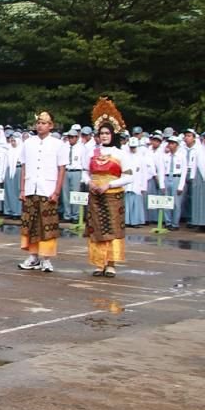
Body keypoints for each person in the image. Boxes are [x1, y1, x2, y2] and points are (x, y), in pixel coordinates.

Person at [84, 98, 134, 278]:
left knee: (112, 229)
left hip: (113, 196)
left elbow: (129, 176)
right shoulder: (91, 152)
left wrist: (109, 184)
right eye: (101, 133)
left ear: (113, 134)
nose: (104, 136)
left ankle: (111, 263)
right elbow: (84, 172)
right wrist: (89, 182)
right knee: (96, 229)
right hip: (95, 195)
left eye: (107, 133)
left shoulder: (120, 154)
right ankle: (99, 263)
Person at [18, 111, 69, 273]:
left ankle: (46, 259)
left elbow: (61, 169)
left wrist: (57, 192)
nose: (40, 126)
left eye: (44, 123)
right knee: (30, 223)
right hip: (31, 187)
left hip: (48, 188)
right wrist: (22, 189)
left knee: (47, 224)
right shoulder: (28, 143)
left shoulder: (58, 144)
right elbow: (24, 166)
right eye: (38, 123)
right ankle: (33, 256)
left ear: (51, 126)